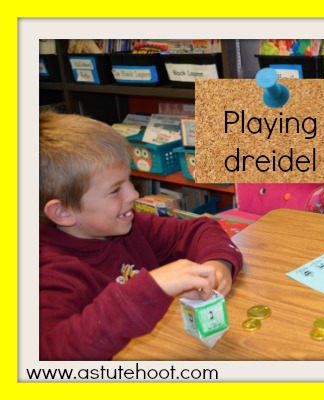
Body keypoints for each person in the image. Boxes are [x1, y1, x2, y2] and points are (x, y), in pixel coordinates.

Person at [39, 112, 243, 360]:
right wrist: (149, 289)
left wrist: (218, 264)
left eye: (129, 181)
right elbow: (51, 357)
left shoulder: (131, 226)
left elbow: (200, 229)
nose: (133, 195)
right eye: (115, 190)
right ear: (62, 212)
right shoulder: (47, 273)